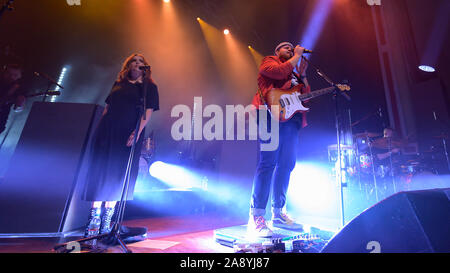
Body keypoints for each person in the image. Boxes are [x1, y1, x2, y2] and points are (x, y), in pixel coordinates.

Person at [81, 53, 159, 243]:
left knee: (117, 175)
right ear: (128, 65)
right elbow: (107, 109)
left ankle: (107, 226)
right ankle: (92, 226)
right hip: (108, 131)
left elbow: (147, 114)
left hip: (128, 134)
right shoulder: (119, 85)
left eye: (141, 62)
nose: (137, 64)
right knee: (100, 173)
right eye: (134, 61)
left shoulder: (149, 88)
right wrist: (99, 130)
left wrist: (136, 132)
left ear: (145, 68)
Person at [248, 42, 310, 237]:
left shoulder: (295, 72)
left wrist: (303, 74)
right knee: (268, 163)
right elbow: (276, 73)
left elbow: (305, 97)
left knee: (287, 164)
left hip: (291, 119)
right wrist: (296, 57)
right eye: (286, 48)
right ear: (277, 51)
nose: (291, 50)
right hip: (269, 114)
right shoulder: (269, 61)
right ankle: (257, 215)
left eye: (293, 48)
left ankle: (278, 213)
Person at [0, 64, 25, 135]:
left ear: (20, 76)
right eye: (9, 74)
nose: (11, 77)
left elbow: (17, 109)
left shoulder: (19, 89)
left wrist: (20, 104)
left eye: (15, 75)